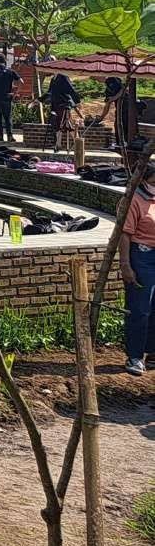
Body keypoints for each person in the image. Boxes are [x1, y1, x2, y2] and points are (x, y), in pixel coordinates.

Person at [118, 139, 154, 374]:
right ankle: (134, 355)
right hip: (142, 257)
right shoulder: (133, 200)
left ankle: (153, 352)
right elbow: (125, 234)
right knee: (140, 308)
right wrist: (126, 265)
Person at [0, 55, 21, 144]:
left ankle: (0, 136)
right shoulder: (11, 71)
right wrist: (15, 93)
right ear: (5, 61)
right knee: (7, 117)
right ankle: (10, 136)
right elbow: (21, 81)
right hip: (7, 97)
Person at [47, 73, 78, 151]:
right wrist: (40, 99)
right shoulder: (53, 78)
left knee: (67, 124)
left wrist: (77, 101)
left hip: (64, 104)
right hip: (55, 105)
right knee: (58, 124)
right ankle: (58, 144)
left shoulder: (63, 77)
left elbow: (71, 89)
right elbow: (49, 92)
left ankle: (77, 143)